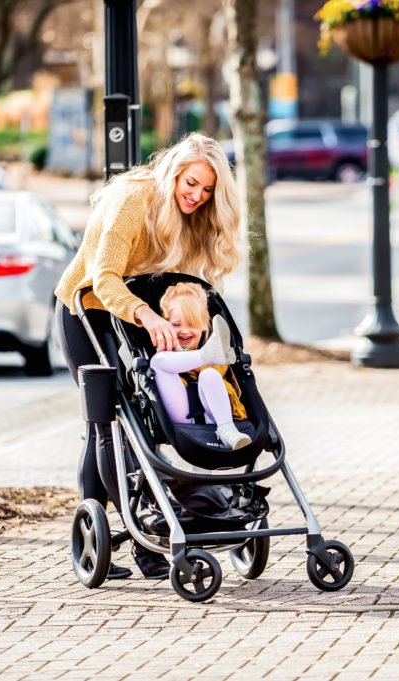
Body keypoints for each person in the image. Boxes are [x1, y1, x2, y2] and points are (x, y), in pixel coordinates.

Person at [54, 133, 242, 579]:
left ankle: (109, 534)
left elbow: (182, 284)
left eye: (208, 189)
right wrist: (148, 317)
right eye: (190, 183)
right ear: (174, 171)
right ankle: (143, 539)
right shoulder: (132, 199)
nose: (196, 196)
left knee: (143, 417)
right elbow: (103, 278)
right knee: (107, 424)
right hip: (86, 309)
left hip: (137, 317)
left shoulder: (191, 216)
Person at [151, 282, 250, 450]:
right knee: (158, 361)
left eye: (192, 324)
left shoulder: (218, 351)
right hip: (182, 415)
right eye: (176, 325)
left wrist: (193, 358)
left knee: (210, 373)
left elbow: (219, 370)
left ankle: (228, 430)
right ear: (166, 324)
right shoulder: (165, 352)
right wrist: (178, 353)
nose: (184, 331)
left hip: (214, 415)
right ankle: (205, 356)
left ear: (204, 324)